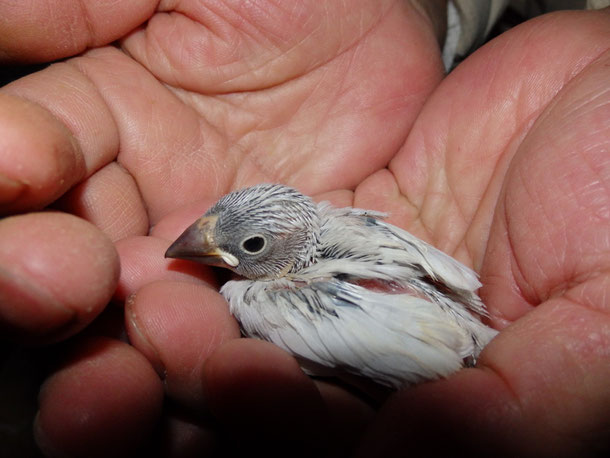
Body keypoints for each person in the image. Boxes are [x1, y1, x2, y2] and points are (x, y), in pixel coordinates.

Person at [1, 1, 609, 456]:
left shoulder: (262, 295)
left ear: (284, 247)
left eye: (250, 246)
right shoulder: (333, 220)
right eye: (221, 230)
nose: (207, 246)